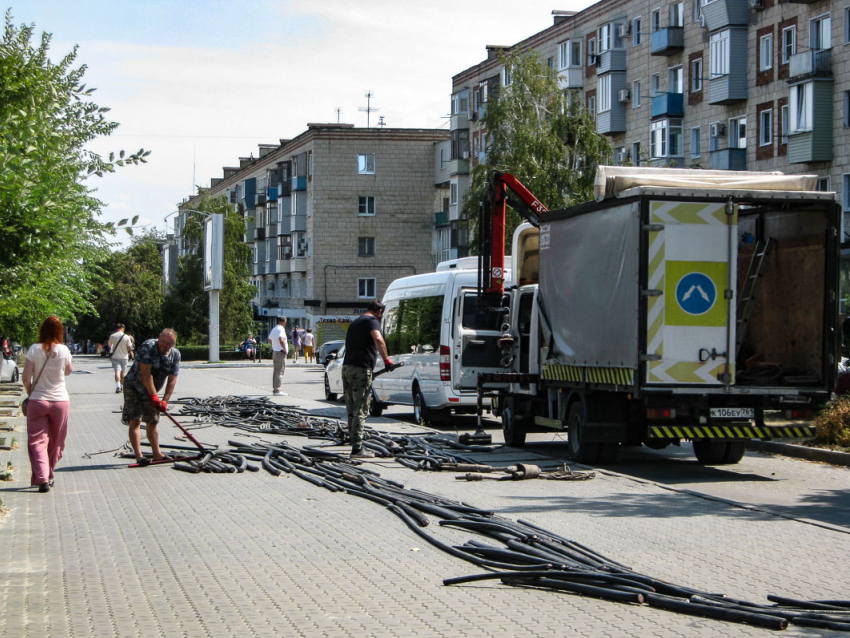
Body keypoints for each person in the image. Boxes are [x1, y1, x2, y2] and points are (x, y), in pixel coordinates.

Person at [22, 316, 73, 493]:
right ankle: (50, 474)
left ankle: (42, 478)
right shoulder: (64, 350)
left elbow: (26, 377)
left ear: (42, 329)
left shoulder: (34, 349)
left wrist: (30, 392)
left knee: (37, 441)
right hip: (60, 401)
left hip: (38, 400)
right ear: (60, 331)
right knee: (56, 441)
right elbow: (68, 371)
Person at [122, 329, 181, 466]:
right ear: (159, 337)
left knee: (152, 421)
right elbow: (146, 374)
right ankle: (139, 456)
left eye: (168, 343)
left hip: (152, 390)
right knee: (135, 420)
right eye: (163, 341)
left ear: (174, 343)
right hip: (134, 387)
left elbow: (172, 380)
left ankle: (157, 454)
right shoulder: (148, 346)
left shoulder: (175, 355)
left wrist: (165, 400)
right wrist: (154, 396)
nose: (164, 345)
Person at [342, 301, 391, 458]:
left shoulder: (356, 322)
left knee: (351, 406)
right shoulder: (372, 321)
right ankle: (357, 449)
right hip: (361, 369)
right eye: (381, 314)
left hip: (347, 367)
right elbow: (378, 339)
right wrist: (387, 360)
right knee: (361, 408)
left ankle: (353, 440)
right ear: (379, 311)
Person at [108, 323, 135, 393]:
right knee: (123, 372)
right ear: (123, 328)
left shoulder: (112, 336)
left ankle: (117, 386)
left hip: (115, 357)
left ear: (117, 328)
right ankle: (122, 387)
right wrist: (130, 352)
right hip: (124, 357)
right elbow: (129, 347)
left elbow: (109, 345)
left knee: (117, 371)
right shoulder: (126, 337)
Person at [268, 316, 288, 395]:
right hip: (280, 352)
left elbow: (270, 340)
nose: (286, 324)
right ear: (283, 322)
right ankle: (277, 390)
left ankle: (275, 388)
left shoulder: (274, 329)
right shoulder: (281, 329)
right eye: (285, 322)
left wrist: (274, 346)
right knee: (280, 371)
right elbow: (281, 340)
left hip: (275, 351)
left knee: (276, 371)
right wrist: (284, 349)